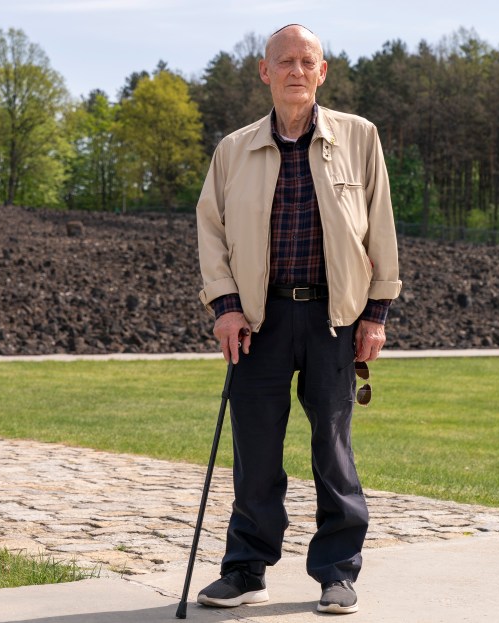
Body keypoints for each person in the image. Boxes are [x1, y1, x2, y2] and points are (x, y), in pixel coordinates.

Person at [194, 24, 402, 615]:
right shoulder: (233, 150)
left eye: (306, 61)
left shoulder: (359, 138)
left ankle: (337, 572)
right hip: (257, 321)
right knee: (255, 450)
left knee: (332, 449)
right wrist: (225, 307)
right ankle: (245, 570)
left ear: (322, 71)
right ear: (264, 72)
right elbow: (212, 233)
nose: (294, 71)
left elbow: (380, 225)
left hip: (334, 320)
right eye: (283, 61)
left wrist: (377, 313)